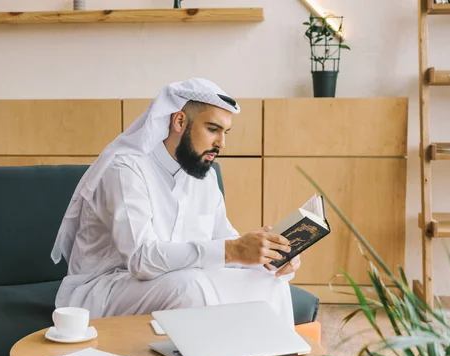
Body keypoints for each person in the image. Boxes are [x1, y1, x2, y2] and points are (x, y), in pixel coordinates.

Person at [51, 78, 301, 327]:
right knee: (191, 287)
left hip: (178, 279)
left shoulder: (206, 177)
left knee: (270, 283)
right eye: (213, 129)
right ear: (179, 121)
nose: (221, 144)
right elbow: (141, 260)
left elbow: (225, 244)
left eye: (225, 133)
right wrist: (233, 250)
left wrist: (267, 257)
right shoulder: (125, 169)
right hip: (107, 289)